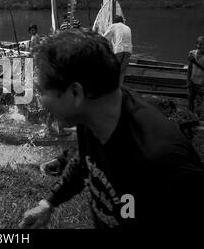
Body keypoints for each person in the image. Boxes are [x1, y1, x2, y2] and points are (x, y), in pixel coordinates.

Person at [18, 29, 204, 229]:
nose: (40, 101)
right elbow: (85, 160)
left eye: (42, 91)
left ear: (75, 92)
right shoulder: (94, 113)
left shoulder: (163, 163)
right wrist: (50, 202)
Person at [103, 15, 133, 85]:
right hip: (129, 50)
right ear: (122, 21)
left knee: (114, 69)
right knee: (122, 72)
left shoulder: (114, 26)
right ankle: (119, 87)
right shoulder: (128, 27)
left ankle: (111, 86)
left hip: (119, 49)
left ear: (115, 21)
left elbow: (104, 38)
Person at [187, 36, 204, 115]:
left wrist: (195, 62)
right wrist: (188, 81)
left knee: (199, 103)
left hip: (202, 84)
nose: (200, 46)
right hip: (192, 81)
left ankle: (197, 117)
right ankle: (190, 116)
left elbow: (194, 64)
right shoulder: (192, 53)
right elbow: (190, 68)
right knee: (190, 99)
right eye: (198, 44)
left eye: (202, 44)